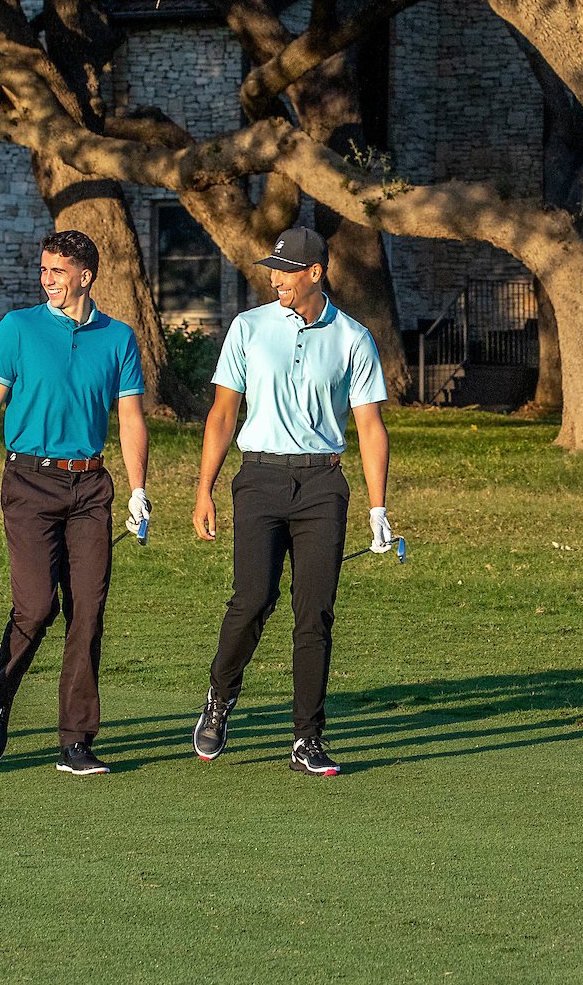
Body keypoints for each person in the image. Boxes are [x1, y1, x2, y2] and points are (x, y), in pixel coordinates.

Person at [190, 225, 391, 777]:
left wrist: (377, 508)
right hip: (259, 479)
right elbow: (223, 414)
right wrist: (204, 489)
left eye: (285, 271)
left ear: (315, 273)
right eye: (273, 271)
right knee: (253, 599)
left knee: (315, 613)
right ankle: (220, 696)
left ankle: (307, 738)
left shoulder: (353, 338)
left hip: (322, 486)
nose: (276, 280)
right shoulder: (248, 327)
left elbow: (370, 427)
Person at [0, 229, 150, 775]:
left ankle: (76, 740)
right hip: (29, 482)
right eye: (43, 270)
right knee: (37, 607)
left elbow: (131, 417)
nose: (47, 280)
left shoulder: (119, 338)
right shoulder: (18, 327)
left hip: (90, 488)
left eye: (58, 271)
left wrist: (138, 490)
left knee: (88, 612)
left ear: (85, 276)